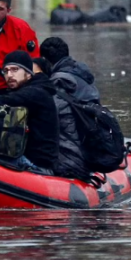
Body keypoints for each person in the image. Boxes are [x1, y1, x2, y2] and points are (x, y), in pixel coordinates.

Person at [40, 37, 100, 179]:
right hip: (90, 139)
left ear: (44, 60)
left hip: (74, 149)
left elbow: (50, 115)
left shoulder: (61, 81)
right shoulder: (81, 72)